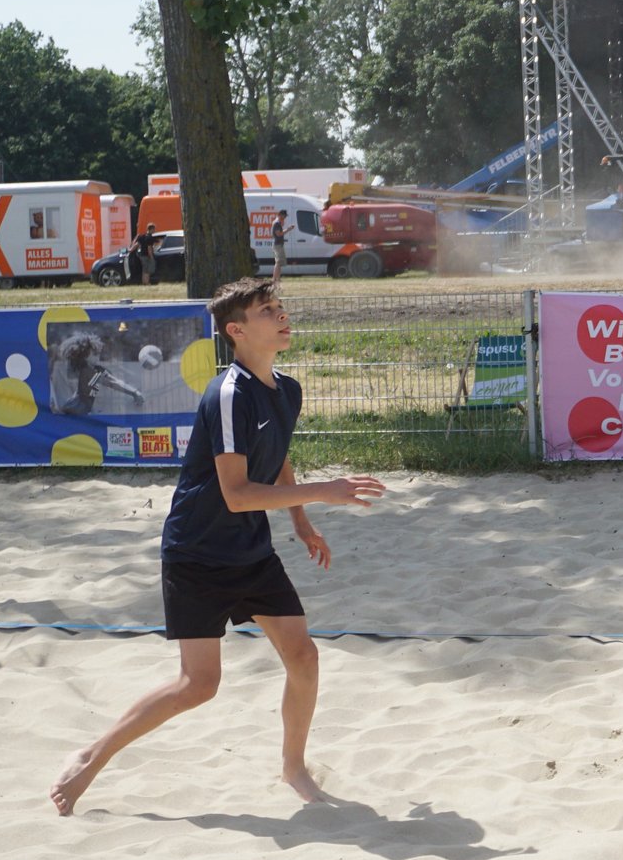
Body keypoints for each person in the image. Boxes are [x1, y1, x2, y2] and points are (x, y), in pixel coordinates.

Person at [49, 277, 387, 815]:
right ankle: (92, 756)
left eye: (280, 307)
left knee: (303, 656)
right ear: (237, 331)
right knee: (198, 684)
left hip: (250, 550)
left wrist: (301, 522)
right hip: (197, 553)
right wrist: (325, 491)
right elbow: (236, 494)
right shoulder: (228, 394)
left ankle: (293, 768)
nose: (282, 315)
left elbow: (275, 455)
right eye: (267, 310)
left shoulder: (287, 390)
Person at [53, 332, 145, 416]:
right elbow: (112, 382)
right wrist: (134, 392)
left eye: (98, 353)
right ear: (84, 355)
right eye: (95, 354)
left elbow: (113, 380)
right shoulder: (86, 371)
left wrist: (134, 391)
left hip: (80, 411)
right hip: (73, 410)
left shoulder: (95, 369)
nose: (98, 356)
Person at [270, 209, 289, 282]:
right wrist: (288, 229)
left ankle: (277, 278)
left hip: (278, 244)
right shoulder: (277, 223)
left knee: (279, 262)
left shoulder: (277, 222)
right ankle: (275, 278)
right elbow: (279, 234)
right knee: (278, 262)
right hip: (278, 244)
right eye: (284, 216)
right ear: (281, 215)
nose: (285, 218)